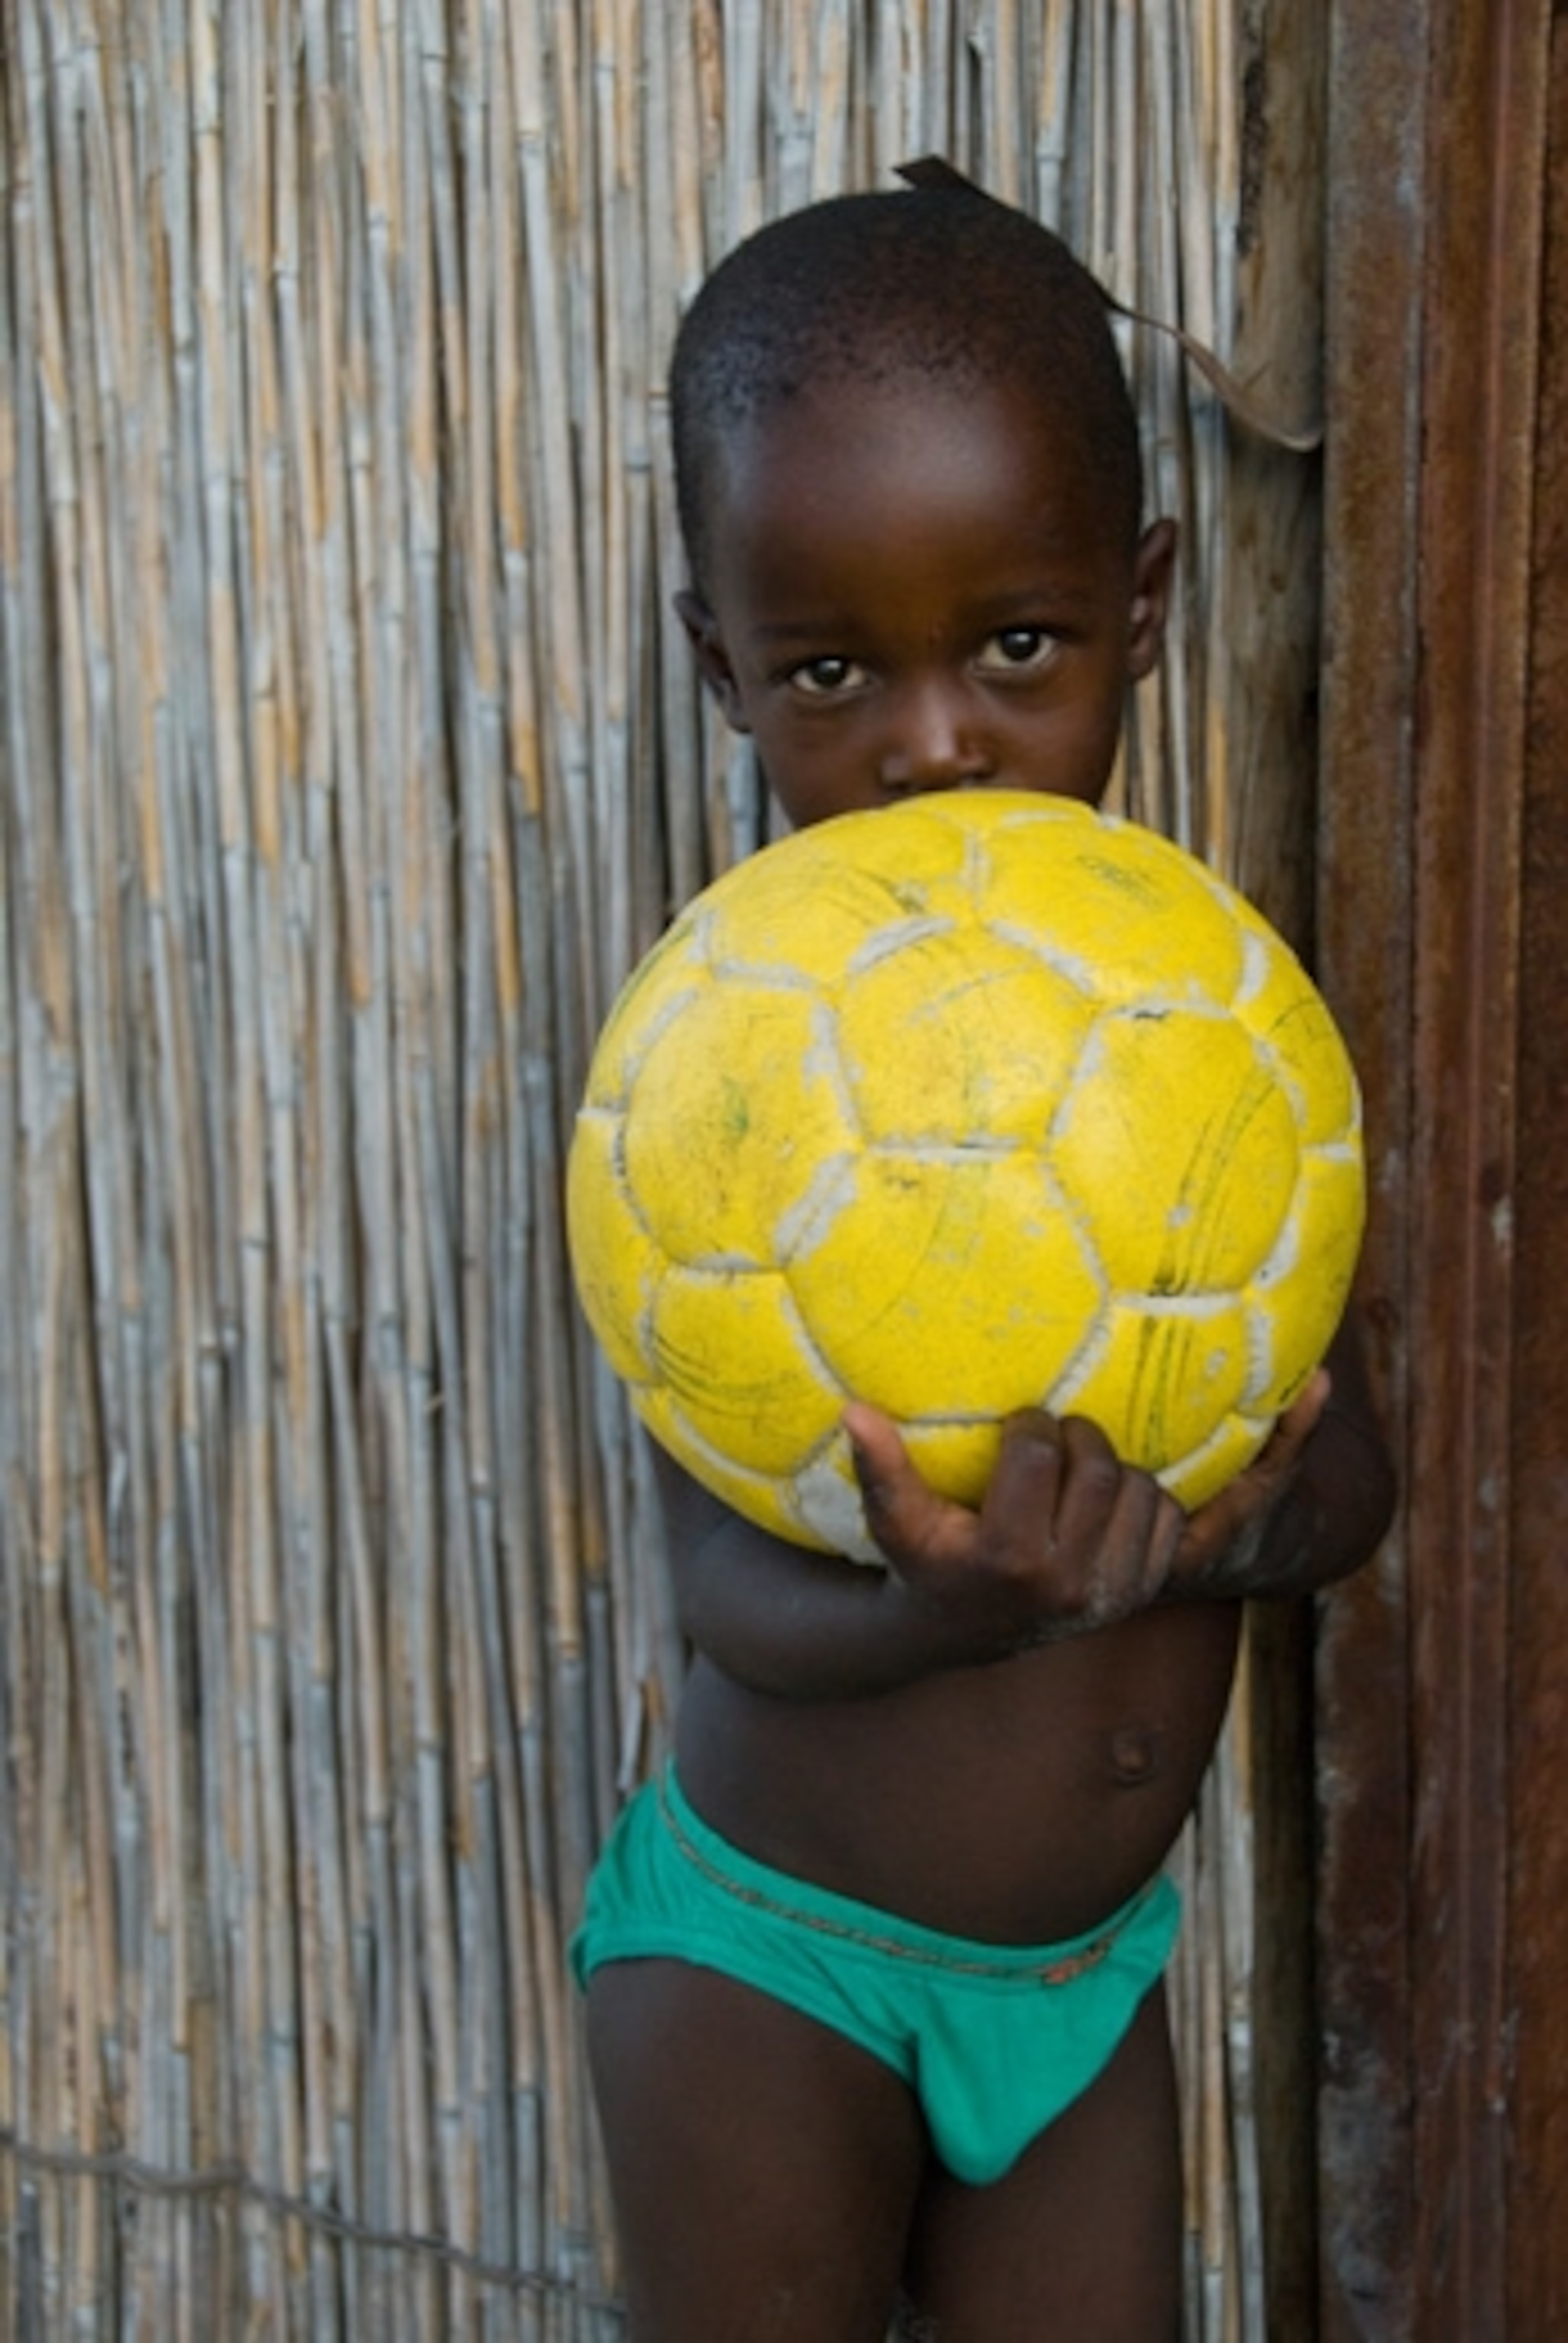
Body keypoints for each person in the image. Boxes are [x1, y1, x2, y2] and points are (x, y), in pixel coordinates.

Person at [570, 172, 1396, 2341]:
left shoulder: (1210, 1054)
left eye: (1013, 646)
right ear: (722, 670)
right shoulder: (722, 1094)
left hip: (1074, 1982)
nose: (933, 740)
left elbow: (1345, 1476)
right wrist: (950, 1602)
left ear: (1140, 606)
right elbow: (727, 1600)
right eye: (834, 668)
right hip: (774, 1967)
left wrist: (1228, 1529)